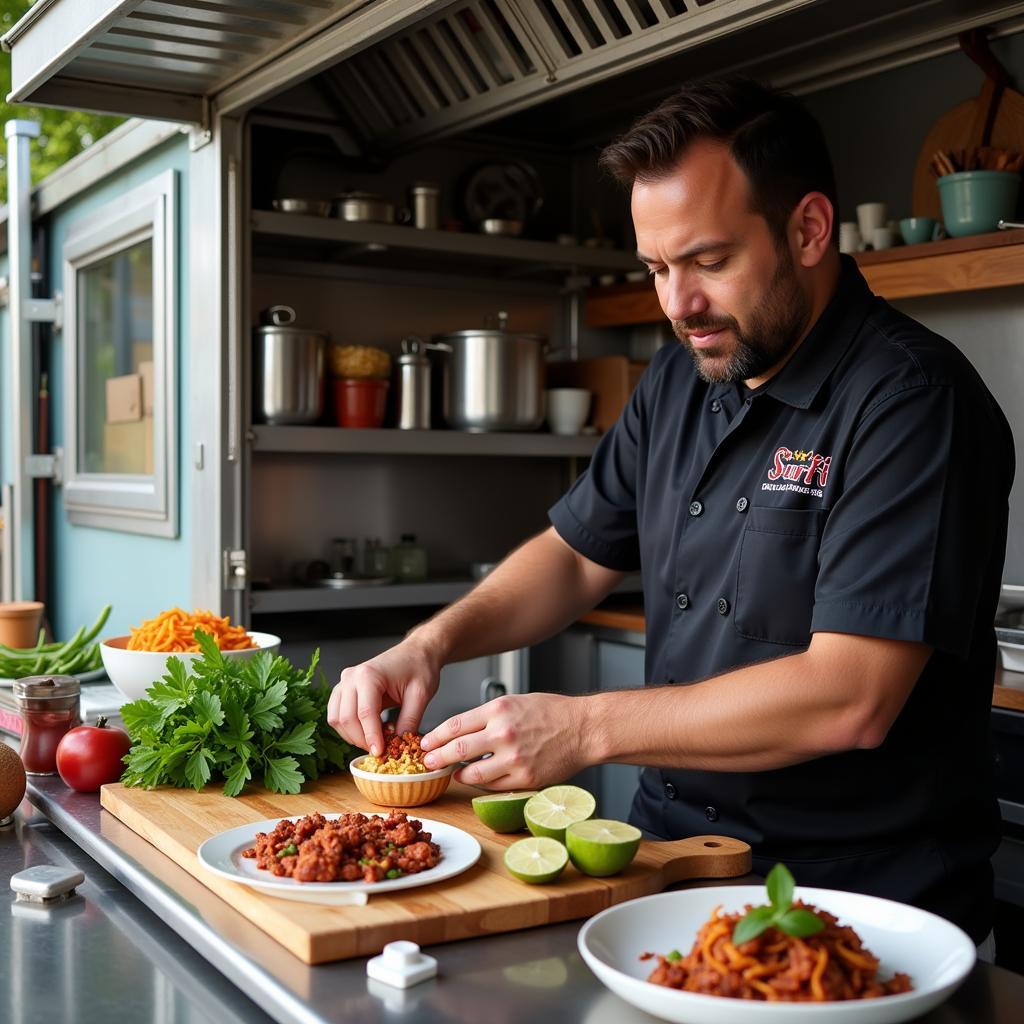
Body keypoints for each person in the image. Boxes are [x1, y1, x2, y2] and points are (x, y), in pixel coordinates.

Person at [329, 76, 1013, 949]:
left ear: (808, 230)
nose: (678, 304)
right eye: (657, 267)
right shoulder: (682, 381)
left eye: (709, 261)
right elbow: (576, 555)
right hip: (675, 873)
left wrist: (586, 726)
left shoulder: (912, 402)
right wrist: (429, 644)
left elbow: (851, 698)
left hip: (861, 912)